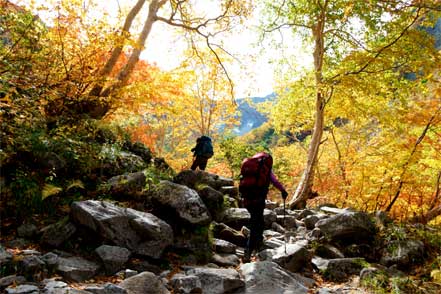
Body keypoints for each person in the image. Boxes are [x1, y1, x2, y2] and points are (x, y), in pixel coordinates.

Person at [239, 152, 288, 262]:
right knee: (256, 224)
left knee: (258, 221)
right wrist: (283, 191)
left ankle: (258, 244)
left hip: (247, 199)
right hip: (258, 199)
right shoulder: (264, 169)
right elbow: (274, 181)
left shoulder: (250, 166)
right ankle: (248, 251)